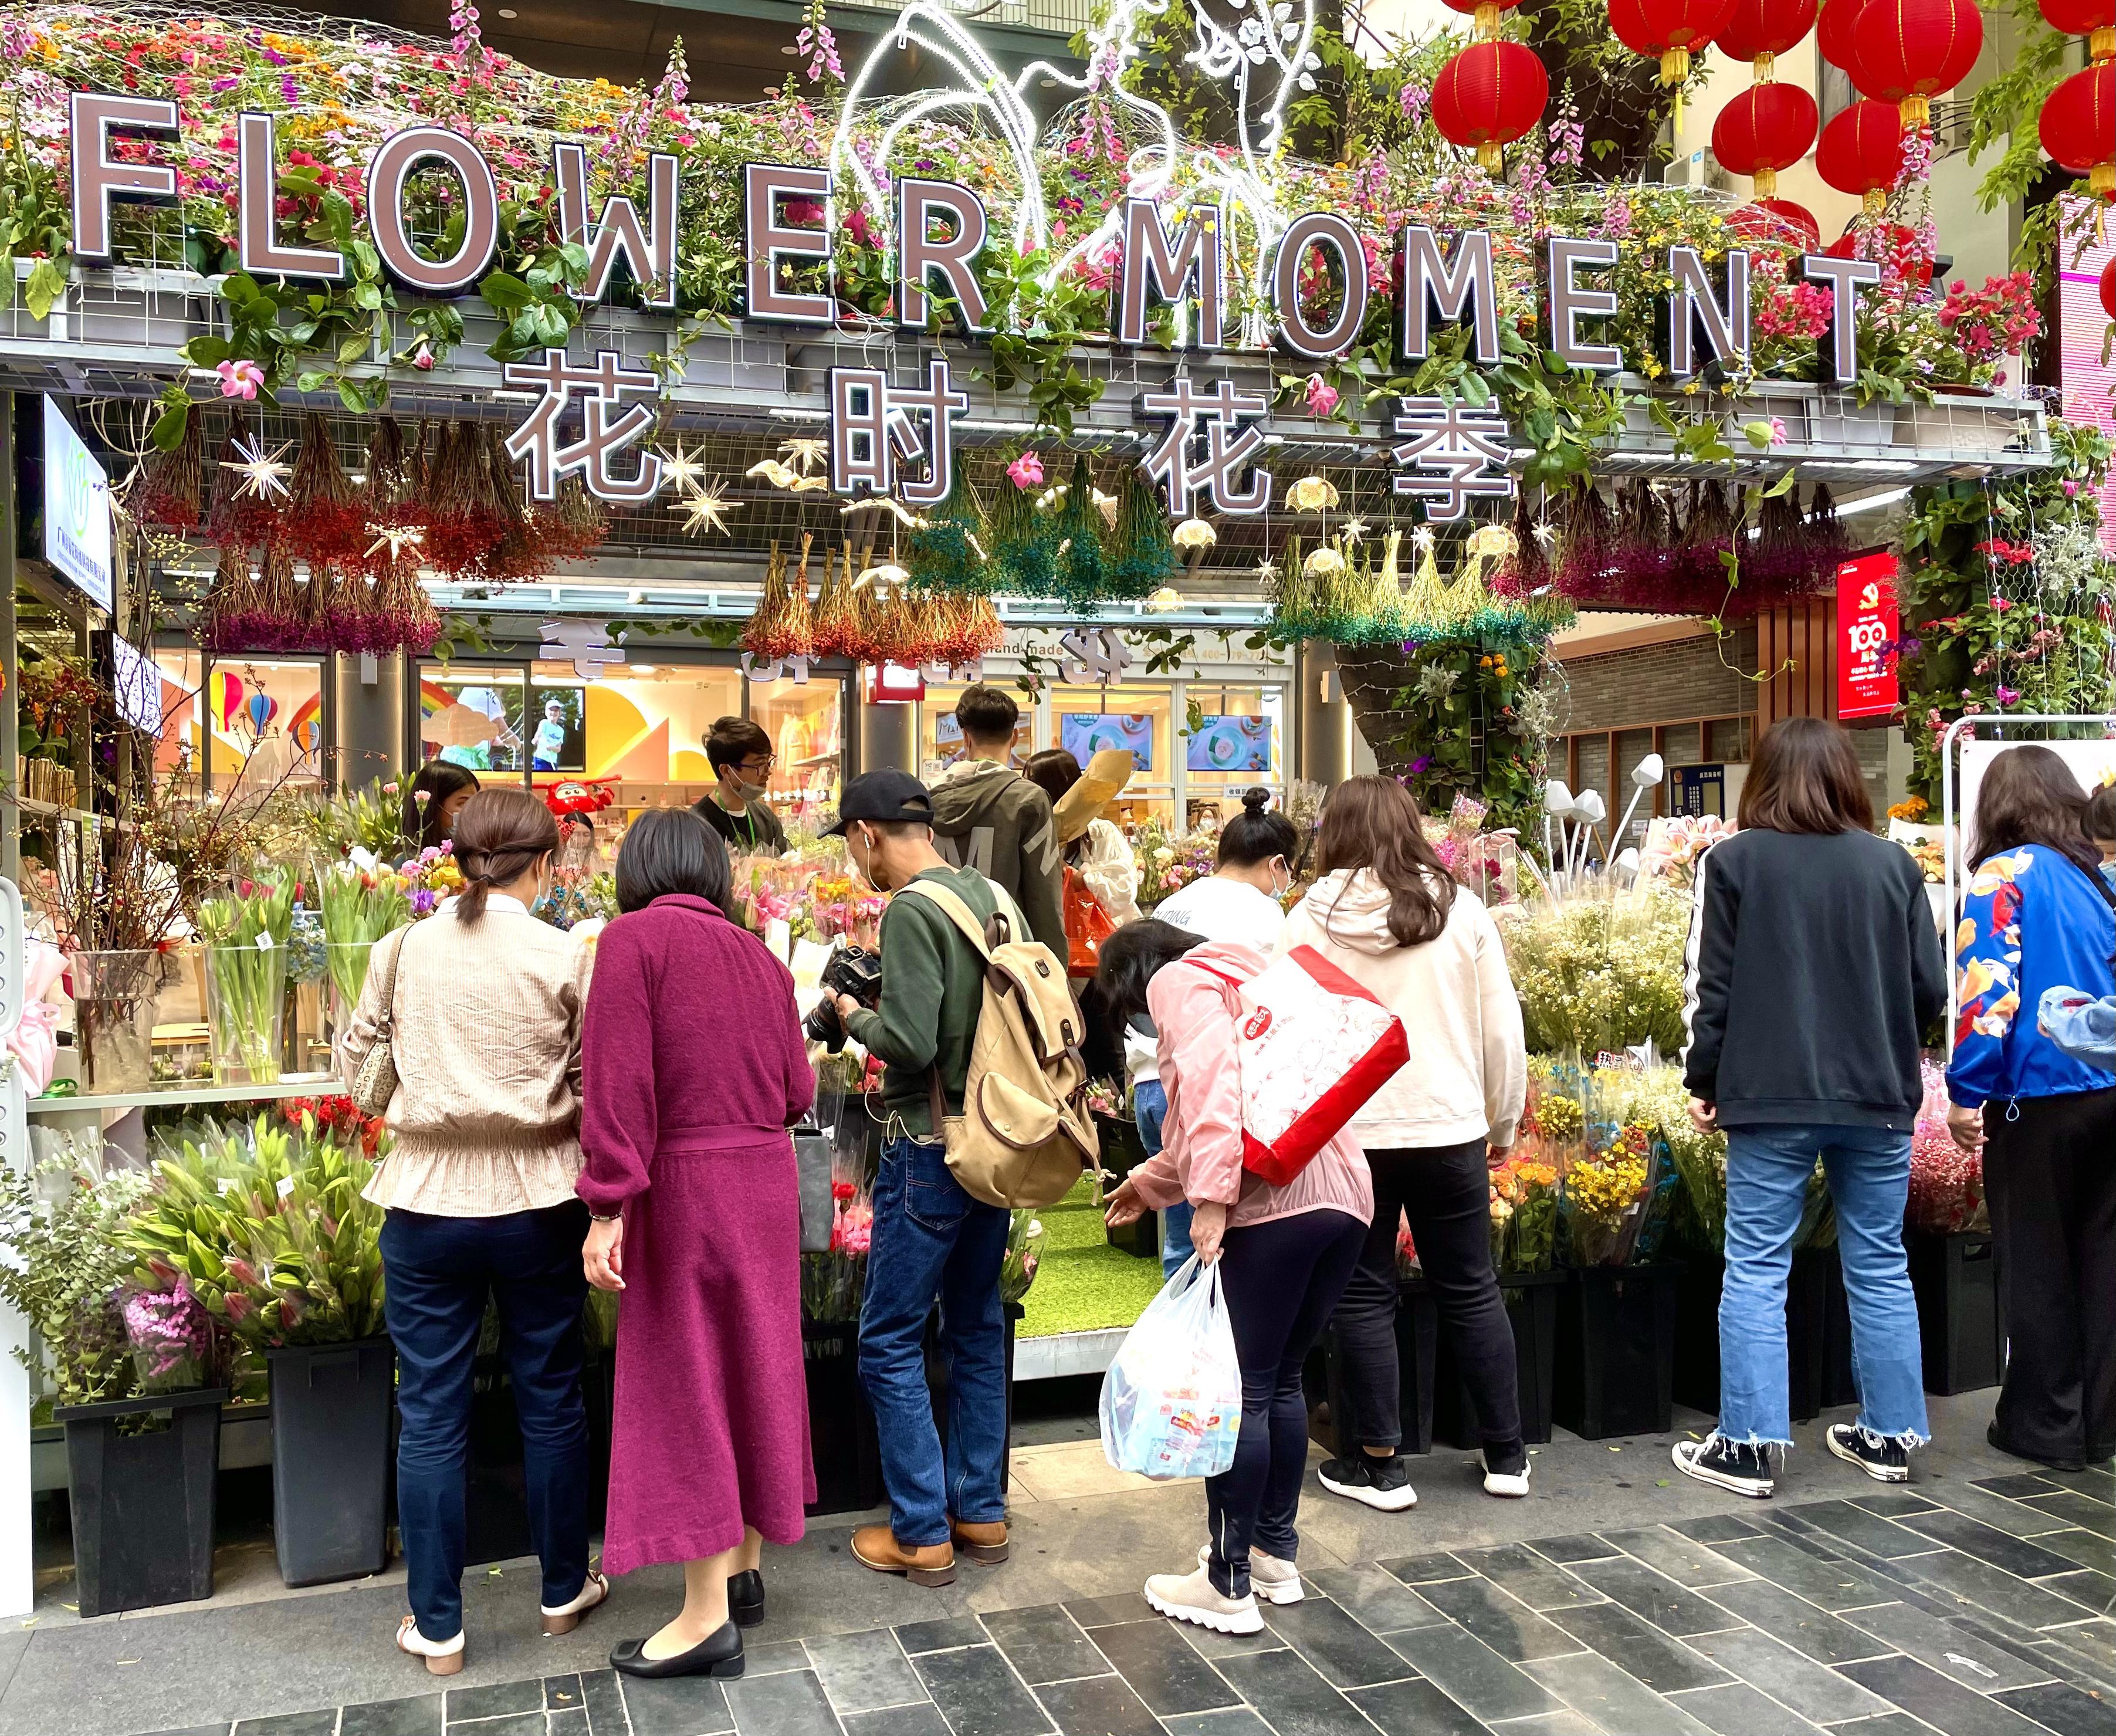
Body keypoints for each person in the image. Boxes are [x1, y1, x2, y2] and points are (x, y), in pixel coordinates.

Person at [338, 788, 602, 1674]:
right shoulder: (567, 951)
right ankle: (564, 1589)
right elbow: (592, 1072)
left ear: (453, 859)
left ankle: (439, 1624)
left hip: (425, 1199)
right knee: (551, 1396)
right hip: (540, 1197)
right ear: (548, 859)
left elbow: (356, 1060)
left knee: (431, 1412)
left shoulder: (402, 946)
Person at [1674, 718, 1948, 1501]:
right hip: (1877, 1092)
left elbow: (1708, 987)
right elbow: (1927, 988)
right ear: (1845, 777)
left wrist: (1704, 1076)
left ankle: (1749, 1444)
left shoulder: (1728, 862)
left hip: (1769, 1091)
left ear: (1759, 776)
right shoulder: (1893, 865)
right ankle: (1890, 1434)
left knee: (1757, 1265)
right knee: (1879, 1259)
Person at [579, 810, 815, 1681]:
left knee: (687, 1378)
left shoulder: (630, 942)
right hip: (762, 1177)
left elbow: (617, 1086)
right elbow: (797, 1086)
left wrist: (608, 1205)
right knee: (756, 1362)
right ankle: (745, 1567)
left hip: (685, 1183)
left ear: (637, 867)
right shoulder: (759, 955)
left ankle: (705, 1616)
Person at [1102, 921, 1371, 1636]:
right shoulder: (1251, 969)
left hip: (1272, 1206)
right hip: (1344, 1197)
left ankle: (1226, 1582)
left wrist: (1211, 1199)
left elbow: (1213, 1092)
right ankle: (1272, 1553)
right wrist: (1150, 1183)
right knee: (1280, 1380)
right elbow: (1238, 1113)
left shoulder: (1179, 980)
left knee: (1241, 1390)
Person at [1283, 776, 1529, 1511]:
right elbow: (1500, 1032)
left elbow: (1289, 1034)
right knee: (1471, 1284)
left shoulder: (1306, 919)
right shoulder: (1461, 911)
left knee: (1361, 1293)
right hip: (1449, 1125)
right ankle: (1506, 1454)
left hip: (1349, 1134)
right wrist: (1502, 1119)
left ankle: (1379, 1464)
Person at [825, 770, 1014, 1589]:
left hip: (929, 1145)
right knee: (975, 1324)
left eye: (852, 845)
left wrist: (845, 1014)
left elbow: (905, 1039)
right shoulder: (990, 894)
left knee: (888, 1337)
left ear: (868, 833)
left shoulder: (909, 907)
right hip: (995, 1144)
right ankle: (981, 1510)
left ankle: (920, 1533)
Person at [1946, 746, 2116, 1473]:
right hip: (2109, 1089)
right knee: (2105, 1260)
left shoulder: (2001, 875)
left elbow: (1987, 994)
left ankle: (2045, 1423)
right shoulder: (2098, 875)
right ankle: (2103, 1424)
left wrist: (1964, 1094)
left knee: (2038, 1261)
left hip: (2037, 1098)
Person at [1135, 790, 1300, 1277]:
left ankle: (1178, 1347)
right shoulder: (1264, 914)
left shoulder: (1172, 903)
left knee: (1180, 1249)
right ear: (1277, 865)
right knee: (1214, 1251)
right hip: (1212, 1095)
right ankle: (1209, 1352)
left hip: (1151, 1082)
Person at [929, 685, 1065, 956]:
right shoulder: (1028, 800)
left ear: (965, 737)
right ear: (1015, 737)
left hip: (938, 952)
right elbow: (1045, 900)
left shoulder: (924, 800)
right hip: (1006, 960)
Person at [1024, 747, 1143, 928]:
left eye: (1032, 782)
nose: (1025, 791)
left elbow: (1121, 894)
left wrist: (1077, 877)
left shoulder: (1100, 832)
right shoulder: (1031, 833)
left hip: (1097, 942)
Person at [694, 716, 788, 857]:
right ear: (726, 771)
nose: (768, 771)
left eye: (768, 761)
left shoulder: (766, 818)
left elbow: (786, 868)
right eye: (758, 765)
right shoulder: (699, 825)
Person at [402, 762, 479, 854]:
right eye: (463, 803)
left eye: (474, 802)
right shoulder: (409, 863)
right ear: (435, 806)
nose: (473, 810)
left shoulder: (472, 855)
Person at [533, 699, 571, 773]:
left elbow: (558, 749)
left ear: (559, 713)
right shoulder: (544, 723)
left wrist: (550, 748)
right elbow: (539, 734)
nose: (553, 713)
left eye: (556, 710)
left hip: (553, 761)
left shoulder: (560, 730)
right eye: (551, 710)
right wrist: (536, 739)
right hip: (541, 759)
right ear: (546, 712)